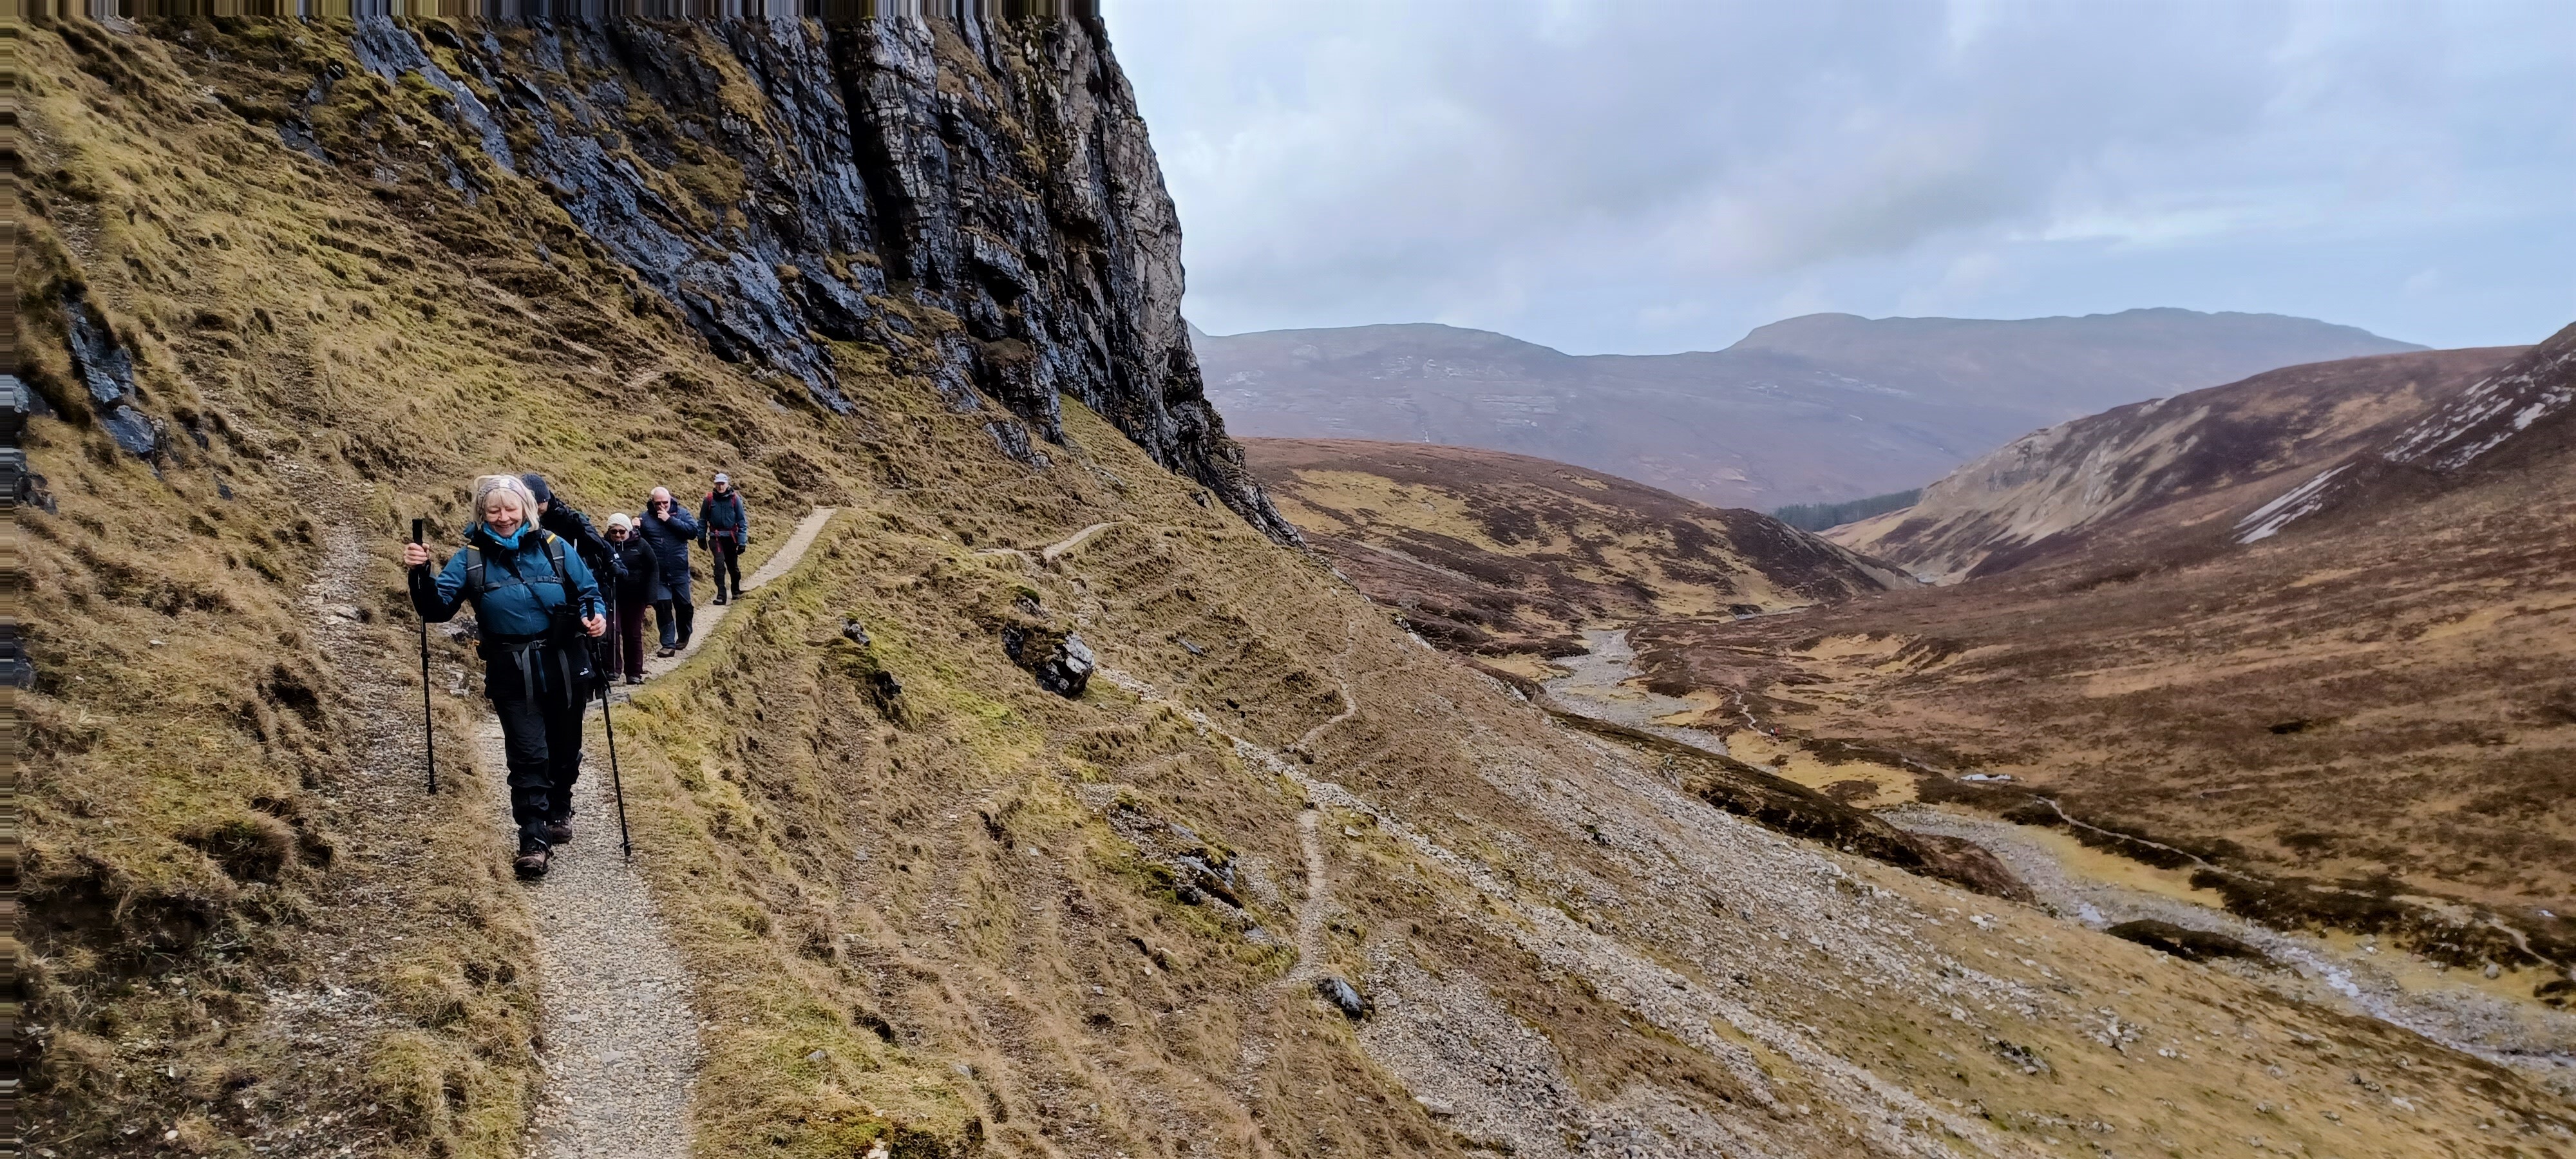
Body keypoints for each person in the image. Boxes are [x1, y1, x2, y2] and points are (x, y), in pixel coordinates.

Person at [405, 475, 605, 879]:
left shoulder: (556, 549)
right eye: (493, 510)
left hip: (566, 664)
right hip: (511, 671)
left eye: (510, 508)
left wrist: (595, 617)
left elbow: (589, 592)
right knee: (529, 755)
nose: (502, 517)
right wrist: (421, 573)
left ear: (526, 510)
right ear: (482, 514)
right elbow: (436, 609)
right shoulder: (470, 559)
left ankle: (560, 806)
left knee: (564, 752)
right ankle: (533, 840)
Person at [633, 485, 700, 657]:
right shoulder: (645, 518)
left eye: (665, 502)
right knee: (663, 607)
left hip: (679, 572)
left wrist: (669, 520)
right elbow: (636, 542)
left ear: (670, 500)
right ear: (652, 502)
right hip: (658, 575)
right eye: (658, 503)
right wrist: (635, 528)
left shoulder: (682, 514)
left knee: (684, 607)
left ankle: (684, 635)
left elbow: (693, 532)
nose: (662, 506)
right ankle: (668, 644)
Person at [602, 512, 658, 685]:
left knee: (632, 633)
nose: (618, 535)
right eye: (614, 532)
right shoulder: (603, 546)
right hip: (612, 596)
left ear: (629, 531)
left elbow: (653, 568)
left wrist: (651, 596)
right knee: (611, 630)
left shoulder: (641, 545)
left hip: (635, 596)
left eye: (622, 532)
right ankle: (612, 669)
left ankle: (634, 672)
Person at [697, 472, 750, 605]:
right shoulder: (709, 500)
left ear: (727, 484)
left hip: (732, 538)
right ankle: (721, 595)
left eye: (723, 484)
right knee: (719, 565)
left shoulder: (735, 499)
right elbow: (703, 520)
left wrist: (742, 542)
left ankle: (736, 591)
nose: (720, 487)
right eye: (718, 484)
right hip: (716, 538)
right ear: (715, 484)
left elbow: (742, 521)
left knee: (733, 567)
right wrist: (701, 537)